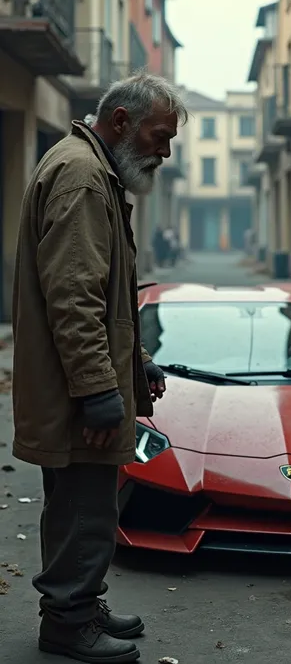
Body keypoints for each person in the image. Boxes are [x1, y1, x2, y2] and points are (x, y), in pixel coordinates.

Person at [11, 73, 188, 663]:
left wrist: (134, 364)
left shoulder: (92, 170)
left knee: (77, 505)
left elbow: (102, 298)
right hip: (75, 391)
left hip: (77, 382)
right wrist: (96, 391)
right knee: (86, 507)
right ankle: (67, 621)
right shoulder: (85, 178)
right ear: (119, 122)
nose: (165, 151)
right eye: (160, 136)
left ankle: (80, 602)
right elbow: (73, 294)